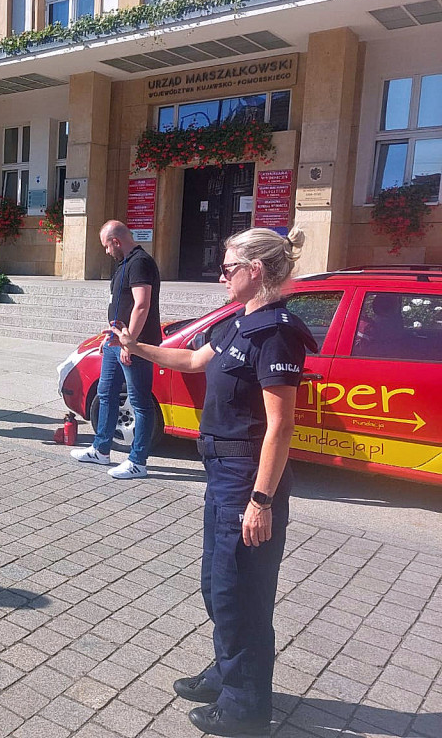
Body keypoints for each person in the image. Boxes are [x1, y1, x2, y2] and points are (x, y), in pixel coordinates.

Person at [114, 227, 316, 737]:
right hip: (220, 475)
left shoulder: (276, 332)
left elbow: (282, 425)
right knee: (217, 585)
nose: (221, 275)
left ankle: (245, 707)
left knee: (240, 592)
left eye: (229, 268)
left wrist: (262, 500)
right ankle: (230, 672)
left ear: (259, 271)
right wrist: (136, 347)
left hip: (248, 481)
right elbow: (192, 360)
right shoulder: (236, 324)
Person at [71, 220, 161, 479]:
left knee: (140, 403)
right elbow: (121, 303)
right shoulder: (124, 263)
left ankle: (138, 461)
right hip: (116, 341)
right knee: (106, 392)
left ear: (116, 241)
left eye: (107, 246)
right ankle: (101, 450)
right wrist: (111, 334)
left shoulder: (140, 262)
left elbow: (142, 305)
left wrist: (130, 342)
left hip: (135, 345)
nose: (106, 252)